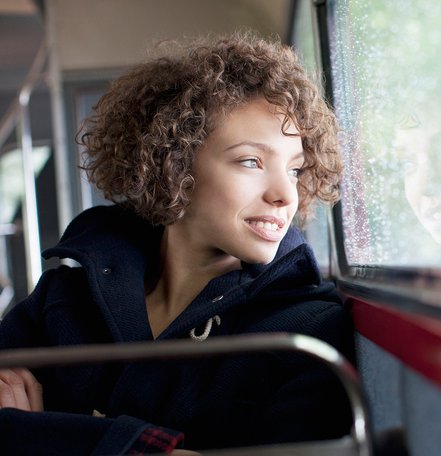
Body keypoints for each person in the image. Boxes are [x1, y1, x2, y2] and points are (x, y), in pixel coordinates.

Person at [0, 31, 351, 454]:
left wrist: (44, 436)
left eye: (294, 170)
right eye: (251, 161)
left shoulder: (308, 332)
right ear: (174, 163)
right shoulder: (65, 297)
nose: (285, 194)